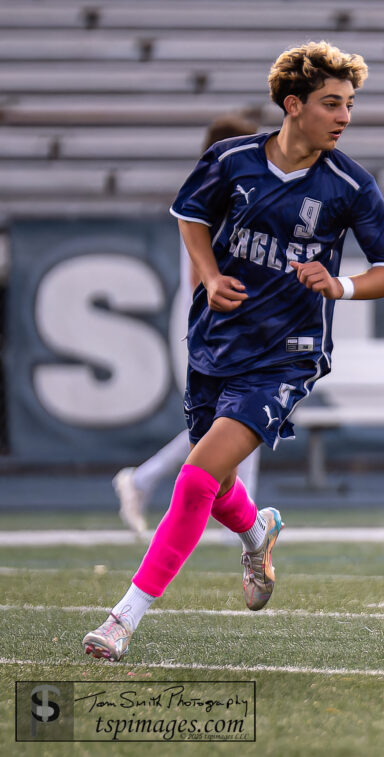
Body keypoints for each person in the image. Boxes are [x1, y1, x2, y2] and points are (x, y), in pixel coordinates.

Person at [84, 41, 384, 661]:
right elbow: (188, 215)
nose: (344, 116)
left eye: (350, 104)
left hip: (288, 354)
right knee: (219, 480)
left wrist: (339, 284)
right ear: (293, 105)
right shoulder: (231, 159)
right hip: (215, 342)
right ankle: (257, 529)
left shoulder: (349, 185)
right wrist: (207, 275)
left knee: (195, 477)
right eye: (331, 103)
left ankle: (124, 618)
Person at [113, 114, 262, 539]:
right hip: (218, 314)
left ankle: (145, 480)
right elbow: (207, 270)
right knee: (240, 418)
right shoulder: (218, 194)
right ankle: (244, 521)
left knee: (230, 420)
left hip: (219, 312)